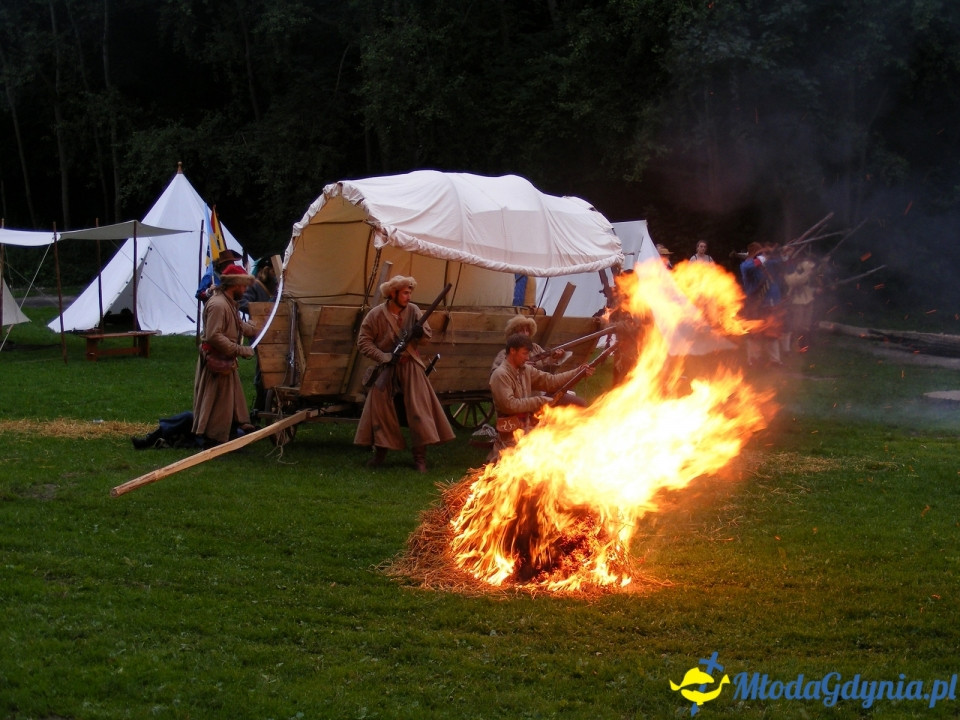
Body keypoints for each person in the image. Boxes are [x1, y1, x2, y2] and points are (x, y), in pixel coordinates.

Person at [354, 275, 455, 472]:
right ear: (393, 293)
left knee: (419, 410)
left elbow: (427, 337)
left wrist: (419, 334)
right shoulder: (375, 315)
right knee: (379, 410)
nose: (409, 296)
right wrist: (384, 357)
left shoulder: (414, 311)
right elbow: (363, 343)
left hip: (411, 366)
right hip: (387, 367)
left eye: (410, 292)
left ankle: (420, 459)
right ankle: (380, 454)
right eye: (405, 293)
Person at [489, 333, 594, 459]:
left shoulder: (525, 370)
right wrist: (541, 401)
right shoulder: (500, 375)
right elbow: (509, 405)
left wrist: (578, 372)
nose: (527, 358)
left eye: (528, 354)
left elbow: (551, 381)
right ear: (512, 351)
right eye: (524, 353)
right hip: (511, 433)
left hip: (528, 424)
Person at [192, 264, 260, 445]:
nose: (245, 290)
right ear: (235, 284)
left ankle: (226, 436)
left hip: (226, 360)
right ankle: (212, 440)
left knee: (228, 403)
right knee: (216, 404)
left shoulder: (227, 303)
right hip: (216, 361)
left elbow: (235, 324)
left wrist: (252, 328)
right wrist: (241, 350)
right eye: (243, 286)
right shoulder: (218, 305)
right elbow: (214, 336)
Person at [239, 256, 280, 412]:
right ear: (266, 270)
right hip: (259, 333)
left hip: (276, 333)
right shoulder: (255, 286)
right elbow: (243, 304)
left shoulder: (277, 287)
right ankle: (260, 405)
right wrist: (263, 309)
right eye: (272, 271)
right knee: (261, 372)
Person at [739, 242, 783, 367]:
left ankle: (775, 360)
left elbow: (781, 262)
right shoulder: (746, 265)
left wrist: (778, 252)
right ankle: (754, 360)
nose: (762, 254)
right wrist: (764, 257)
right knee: (754, 334)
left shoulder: (767, 264)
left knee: (772, 333)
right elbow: (750, 266)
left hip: (770, 304)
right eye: (759, 253)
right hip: (755, 305)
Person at [489, 315, 569, 375]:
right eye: (521, 330)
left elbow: (547, 371)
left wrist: (554, 359)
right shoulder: (505, 353)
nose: (524, 333)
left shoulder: (536, 348)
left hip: (538, 391)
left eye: (526, 330)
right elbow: (495, 374)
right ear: (514, 333)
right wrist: (517, 367)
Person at [782, 257, 819, 352]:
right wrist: (807, 272)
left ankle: (803, 346)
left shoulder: (804, 267)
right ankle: (792, 346)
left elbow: (808, 285)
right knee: (796, 325)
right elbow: (794, 282)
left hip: (808, 300)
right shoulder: (789, 269)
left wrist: (815, 290)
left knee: (806, 325)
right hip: (796, 301)